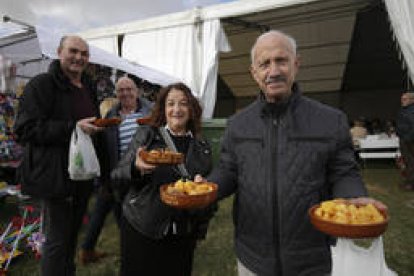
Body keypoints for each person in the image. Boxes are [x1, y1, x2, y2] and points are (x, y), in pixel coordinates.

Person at [197, 30, 386, 275]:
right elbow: (228, 169)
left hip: (311, 259)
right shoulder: (237, 124)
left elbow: (344, 172)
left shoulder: (331, 120)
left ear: (296, 64)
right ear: (254, 73)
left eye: (281, 60)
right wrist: (207, 188)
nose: (274, 71)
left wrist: (353, 197)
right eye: (265, 64)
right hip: (253, 255)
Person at [14, 36, 106, 275]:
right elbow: (25, 128)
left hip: (82, 173)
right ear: (59, 52)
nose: (79, 57)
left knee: (72, 235)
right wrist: (72, 127)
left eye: (84, 53)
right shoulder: (42, 85)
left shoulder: (87, 87)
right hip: (55, 175)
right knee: (57, 239)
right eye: (73, 51)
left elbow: (88, 125)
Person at [111, 82, 215, 276]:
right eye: (171, 103)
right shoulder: (147, 135)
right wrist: (136, 168)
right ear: (163, 109)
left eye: (183, 103)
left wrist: (202, 193)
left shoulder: (202, 144)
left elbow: (209, 191)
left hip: (183, 233)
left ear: (192, 109)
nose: (177, 109)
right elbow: (117, 175)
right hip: (143, 227)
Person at [79, 76, 153, 264]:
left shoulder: (150, 112)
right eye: (121, 90)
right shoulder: (111, 116)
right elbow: (103, 150)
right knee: (118, 213)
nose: (125, 93)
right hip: (116, 176)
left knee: (115, 212)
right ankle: (129, 255)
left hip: (140, 174)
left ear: (137, 91)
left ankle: (92, 250)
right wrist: (103, 179)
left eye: (129, 89)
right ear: (116, 93)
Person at [396, 92, 414, 191]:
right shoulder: (405, 110)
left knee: (410, 162)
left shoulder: (411, 110)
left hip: (409, 140)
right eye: (402, 99)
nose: (402, 101)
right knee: (408, 162)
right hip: (405, 139)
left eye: (405, 99)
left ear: (412, 100)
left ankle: (411, 184)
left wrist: (408, 138)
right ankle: (409, 182)